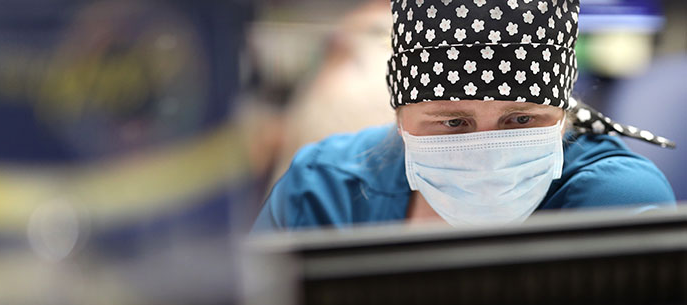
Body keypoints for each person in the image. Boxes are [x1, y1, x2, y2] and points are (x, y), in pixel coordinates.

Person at [253, 0, 675, 231]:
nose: (485, 151)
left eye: (520, 120)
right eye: (454, 122)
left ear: (563, 113)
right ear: (400, 114)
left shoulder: (615, 205)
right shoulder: (322, 197)